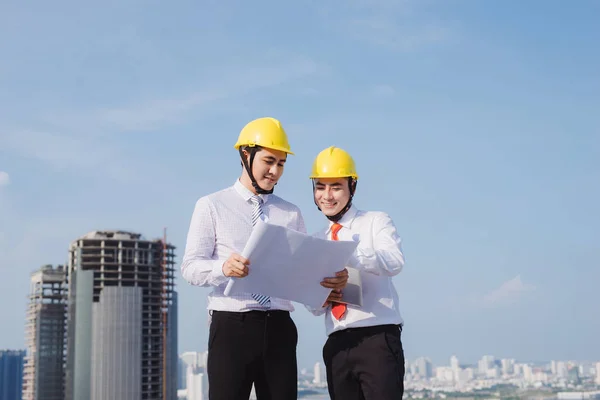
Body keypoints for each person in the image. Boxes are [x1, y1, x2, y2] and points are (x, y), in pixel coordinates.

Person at [180, 118, 348, 400]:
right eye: (269, 161)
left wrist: (326, 288)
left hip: (280, 328)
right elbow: (190, 267)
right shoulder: (211, 205)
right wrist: (223, 268)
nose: (274, 171)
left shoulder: (291, 213)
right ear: (246, 155)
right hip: (233, 326)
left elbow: (302, 274)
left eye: (281, 164)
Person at [308, 146, 406, 400]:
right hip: (337, 344)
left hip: (376, 338)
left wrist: (349, 255)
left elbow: (394, 262)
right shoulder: (316, 240)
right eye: (320, 187)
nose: (327, 196)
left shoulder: (376, 221)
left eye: (336, 187)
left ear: (352, 187)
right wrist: (322, 295)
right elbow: (315, 308)